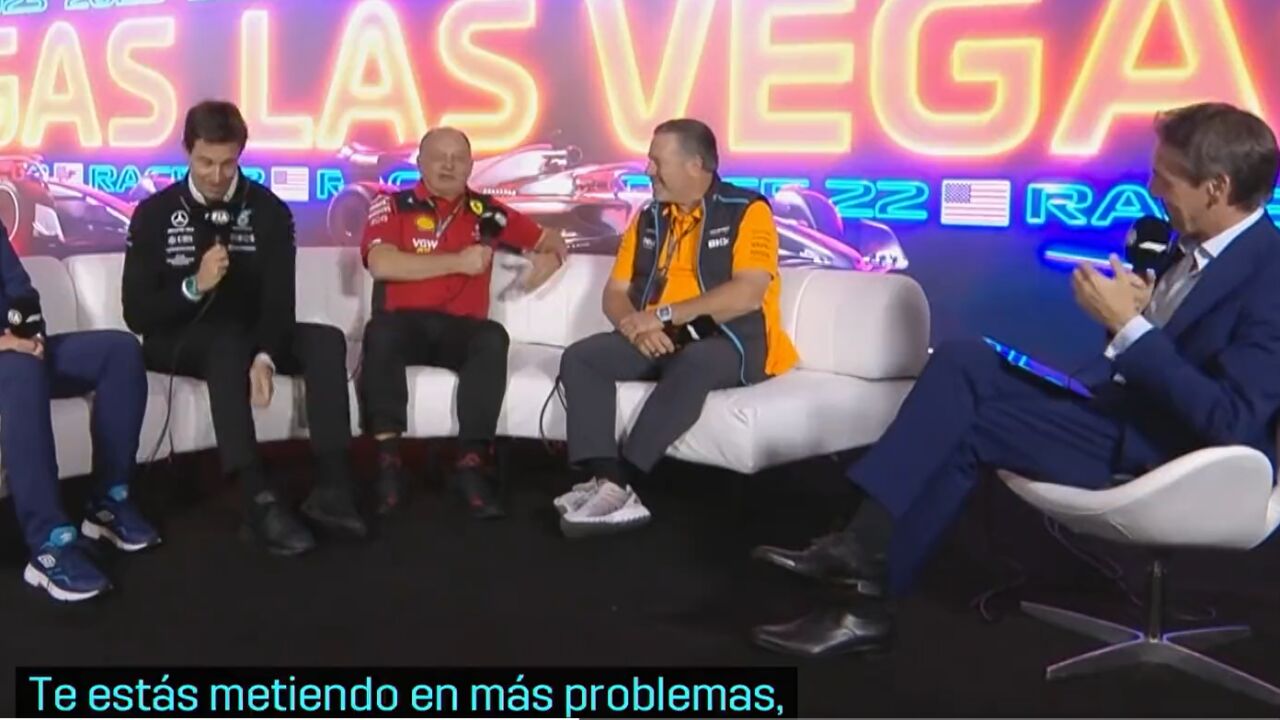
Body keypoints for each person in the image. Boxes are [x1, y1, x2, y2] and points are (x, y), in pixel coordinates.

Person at [749, 102, 1280, 657]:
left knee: (968, 429)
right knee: (964, 359)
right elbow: (1162, 351)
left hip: (1170, 451)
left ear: (1216, 188)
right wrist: (1136, 320)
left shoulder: (1268, 272)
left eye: (1165, 178)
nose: (1152, 189)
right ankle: (859, 558)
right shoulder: (1192, 247)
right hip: (1120, 412)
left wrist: (1131, 328)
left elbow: (1231, 420)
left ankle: (861, 593)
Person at [122, 100, 366, 556]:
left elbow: (279, 301)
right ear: (187, 151)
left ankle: (333, 487)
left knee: (324, 340)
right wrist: (194, 285)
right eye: (205, 163)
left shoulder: (269, 211)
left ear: (240, 156)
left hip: (250, 334)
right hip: (179, 338)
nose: (216, 175)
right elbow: (137, 313)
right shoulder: (154, 213)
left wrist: (266, 356)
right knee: (225, 343)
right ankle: (256, 497)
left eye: (227, 163)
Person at [553, 118, 798, 536]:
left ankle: (625, 480)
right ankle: (606, 478)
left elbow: (747, 294)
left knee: (696, 360)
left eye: (657, 161)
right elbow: (615, 292)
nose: (648, 170)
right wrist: (636, 328)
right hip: (657, 333)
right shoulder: (648, 217)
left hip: (729, 336)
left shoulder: (747, 210)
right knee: (582, 357)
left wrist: (663, 316)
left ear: (695, 165)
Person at [360, 127, 567, 518]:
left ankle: (471, 462)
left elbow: (550, 238)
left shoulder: (488, 212)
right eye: (439, 156)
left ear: (471, 166)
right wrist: (458, 262)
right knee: (380, 333)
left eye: (458, 158)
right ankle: (388, 462)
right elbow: (381, 263)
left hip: (459, 330)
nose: (448, 165)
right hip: (403, 325)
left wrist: (548, 259)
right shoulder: (392, 204)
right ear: (420, 163)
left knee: (492, 337)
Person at [0, 227, 159, 601]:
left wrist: (31, 334)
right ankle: (49, 544)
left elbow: (21, 290)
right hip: (9, 359)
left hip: (17, 350)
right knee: (21, 370)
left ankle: (109, 502)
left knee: (120, 352)